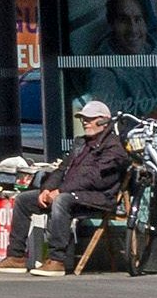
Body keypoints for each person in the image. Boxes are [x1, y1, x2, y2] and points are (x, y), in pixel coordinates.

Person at [42, 96, 132, 273]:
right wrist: (47, 189)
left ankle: (57, 259)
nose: (85, 122)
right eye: (83, 119)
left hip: (99, 197)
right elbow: (62, 169)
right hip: (71, 193)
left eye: (90, 119)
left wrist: (60, 190)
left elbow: (95, 179)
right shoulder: (80, 143)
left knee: (61, 200)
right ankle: (16, 256)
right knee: (24, 200)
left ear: (104, 121)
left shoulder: (114, 147)